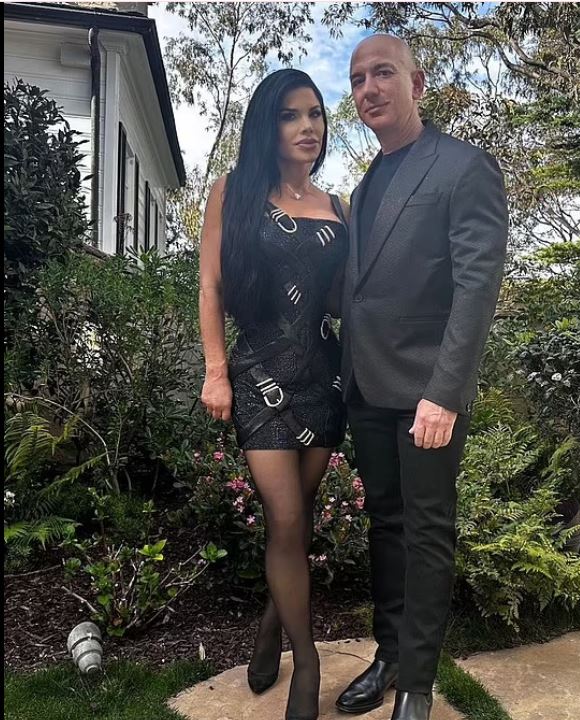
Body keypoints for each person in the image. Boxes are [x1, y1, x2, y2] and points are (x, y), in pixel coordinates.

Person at [335, 35, 508, 720]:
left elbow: (476, 287)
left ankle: (416, 684)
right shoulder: (366, 184)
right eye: (357, 79)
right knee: (385, 525)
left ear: (418, 83)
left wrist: (444, 393)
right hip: (367, 387)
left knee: (427, 531)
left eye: (383, 73)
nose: (368, 89)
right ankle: (388, 655)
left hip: (427, 395)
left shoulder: (463, 167)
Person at [199, 69, 349, 720]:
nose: (308, 126)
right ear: (269, 125)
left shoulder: (338, 206)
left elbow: (342, 300)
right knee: (286, 520)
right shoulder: (232, 193)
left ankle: (269, 630)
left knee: (299, 518)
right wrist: (216, 370)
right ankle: (307, 665)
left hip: (323, 379)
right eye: (291, 115)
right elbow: (210, 286)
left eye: (315, 113)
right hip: (260, 376)